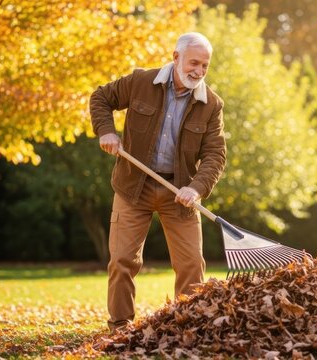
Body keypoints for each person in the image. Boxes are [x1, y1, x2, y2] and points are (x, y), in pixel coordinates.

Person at [89, 32, 226, 332]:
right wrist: (106, 131)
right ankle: (121, 326)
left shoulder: (211, 104)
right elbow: (101, 98)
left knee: (191, 266)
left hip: (180, 192)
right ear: (176, 57)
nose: (199, 71)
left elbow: (216, 155)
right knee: (123, 260)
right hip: (132, 187)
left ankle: (189, 327)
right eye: (194, 63)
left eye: (205, 66)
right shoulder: (140, 82)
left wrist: (196, 188)